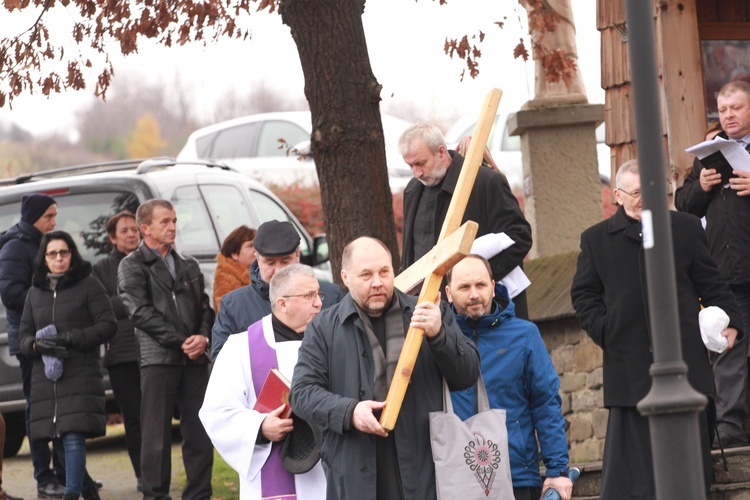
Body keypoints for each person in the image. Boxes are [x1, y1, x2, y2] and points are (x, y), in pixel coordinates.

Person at [571, 160, 744, 498]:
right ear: (618, 196)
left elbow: (712, 284)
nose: (644, 200)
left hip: (685, 365)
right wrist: (607, 330)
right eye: (636, 193)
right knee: (634, 480)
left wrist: (732, 322)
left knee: (689, 474)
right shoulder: (596, 240)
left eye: (651, 192)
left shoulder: (686, 228)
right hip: (629, 368)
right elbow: (584, 296)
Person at [290, 236, 480, 500]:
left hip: (424, 468)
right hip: (354, 471)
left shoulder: (429, 312)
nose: (377, 282)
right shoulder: (324, 327)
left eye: (384, 272)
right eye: (366, 275)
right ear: (345, 277)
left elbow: (467, 375)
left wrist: (439, 335)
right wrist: (350, 412)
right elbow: (301, 394)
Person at [445, 255, 572, 500]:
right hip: (453, 478)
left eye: (480, 285)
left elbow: (546, 405)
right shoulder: (437, 339)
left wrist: (557, 470)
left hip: (516, 476)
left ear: (493, 287)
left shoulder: (524, 335)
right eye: (464, 287)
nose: (474, 294)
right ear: (449, 293)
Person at [200, 264, 326, 499]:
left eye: (318, 294)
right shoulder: (242, 348)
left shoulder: (332, 341)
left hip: (329, 473)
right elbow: (216, 412)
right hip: (274, 474)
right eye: (309, 296)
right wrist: (259, 427)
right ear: (283, 303)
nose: (318, 302)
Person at [118, 199, 214, 500]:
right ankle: (156, 496)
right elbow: (139, 312)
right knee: (156, 437)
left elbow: (205, 308)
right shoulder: (131, 265)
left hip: (195, 359)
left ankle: (199, 495)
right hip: (159, 359)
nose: (172, 226)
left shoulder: (189, 264)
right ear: (145, 228)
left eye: (174, 220)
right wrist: (180, 341)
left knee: (199, 434)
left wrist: (202, 336)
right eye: (165, 222)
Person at [675, 80, 750, 448]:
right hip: (724, 271)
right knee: (728, 349)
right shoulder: (710, 153)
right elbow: (684, 207)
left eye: (735, 108)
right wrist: (700, 186)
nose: (728, 116)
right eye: (722, 110)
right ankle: (732, 430)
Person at [19, 231, 117, 500]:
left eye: (64, 252)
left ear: (72, 255)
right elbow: (23, 335)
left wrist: (71, 338)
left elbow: (108, 325)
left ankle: (71, 494)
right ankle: (88, 492)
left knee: (72, 436)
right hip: (46, 378)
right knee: (59, 441)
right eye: (53, 253)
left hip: (79, 372)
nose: (59, 258)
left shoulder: (89, 285)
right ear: (44, 258)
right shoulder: (34, 293)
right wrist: (37, 346)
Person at [398, 123, 533, 318]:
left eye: (420, 163)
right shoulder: (413, 190)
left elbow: (520, 237)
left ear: (441, 152)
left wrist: (478, 279)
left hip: (487, 312)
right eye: (410, 166)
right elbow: (411, 257)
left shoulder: (485, 182)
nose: (416, 173)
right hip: (434, 315)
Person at [0, 193, 66, 499]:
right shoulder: (15, 247)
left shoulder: (43, 241)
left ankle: (69, 471)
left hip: (52, 333)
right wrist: (47, 300)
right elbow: (11, 293)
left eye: (55, 216)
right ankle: (44, 476)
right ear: (33, 217)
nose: (53, 222)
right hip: (30, 339)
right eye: (48, 217)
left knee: (63, 407)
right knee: (38, 409)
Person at [211, 220, 343, 360]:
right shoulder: (234, 305)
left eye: (285, 262)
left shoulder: (332, 296)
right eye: (270, 262)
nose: (279, 270)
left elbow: (348, 352)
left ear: (298, 256)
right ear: (257, 258)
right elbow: (222, 363)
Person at [91, 210, 142, 492]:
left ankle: (157, 472)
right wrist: (136, 300)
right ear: (112, 238)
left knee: (154, 419)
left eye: (134, 229)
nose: (131, 234)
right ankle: (141, 475)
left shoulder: (150, 261)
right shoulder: (101, 269)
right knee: (133, 419)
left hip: (154, 351)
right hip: (121, 355)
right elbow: (102, 308)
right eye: (124, 230)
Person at [213, 225, 256, 312]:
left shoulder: (263, 272)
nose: (256, 250)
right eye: (250, 246)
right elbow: (226, 313)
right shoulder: (224, 277)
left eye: (257, 245)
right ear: (234, 254)